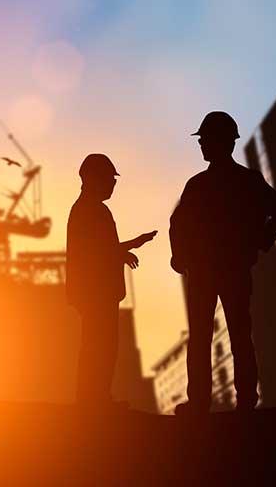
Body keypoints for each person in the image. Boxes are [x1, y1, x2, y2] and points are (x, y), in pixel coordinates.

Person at [170, 111, 276, 415]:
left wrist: (180, 256)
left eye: (206, 139)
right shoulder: (243, 181)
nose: (201, 145)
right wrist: (259, 242)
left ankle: (203, 402)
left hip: (211, 271)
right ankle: (243, 400)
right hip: (228, 269)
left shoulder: (201, 185)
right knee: (236, 334)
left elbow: (177, 224)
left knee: (208, 337)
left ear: (222, 142)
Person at [66, 153, 157, 404]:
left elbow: (102, 248)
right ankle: (93, 399)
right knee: (99, 346)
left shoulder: (90, 209)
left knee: (101, 346)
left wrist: (126, 248)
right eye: (109, 179)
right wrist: (128, 247)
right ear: (93, 179)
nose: (112, 184)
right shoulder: (89, 210)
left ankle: (96, 397)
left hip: (97, 292)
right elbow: (96, 251)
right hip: (96, 293)